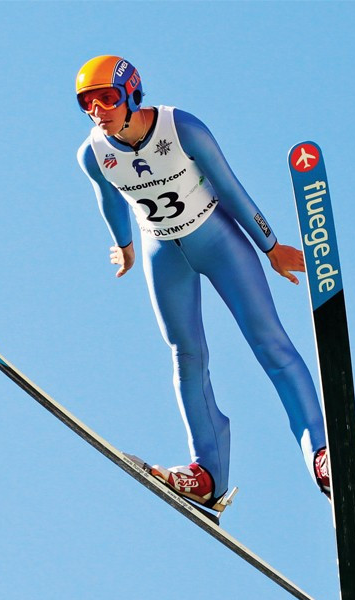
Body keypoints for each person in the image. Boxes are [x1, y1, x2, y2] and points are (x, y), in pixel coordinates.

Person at [75, 55, 331, 508]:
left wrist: (271, 247)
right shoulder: (94, 153)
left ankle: (321, 454)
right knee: (186, 357)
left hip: (217, 238)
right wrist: (125, 245)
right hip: (162, 252)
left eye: (107, 98)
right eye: (87, 103)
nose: (98, 110)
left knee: (270, 344)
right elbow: (110, 197)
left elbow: (230, 187)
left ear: (132, 94)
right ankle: (207, 475)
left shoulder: (182, 128)